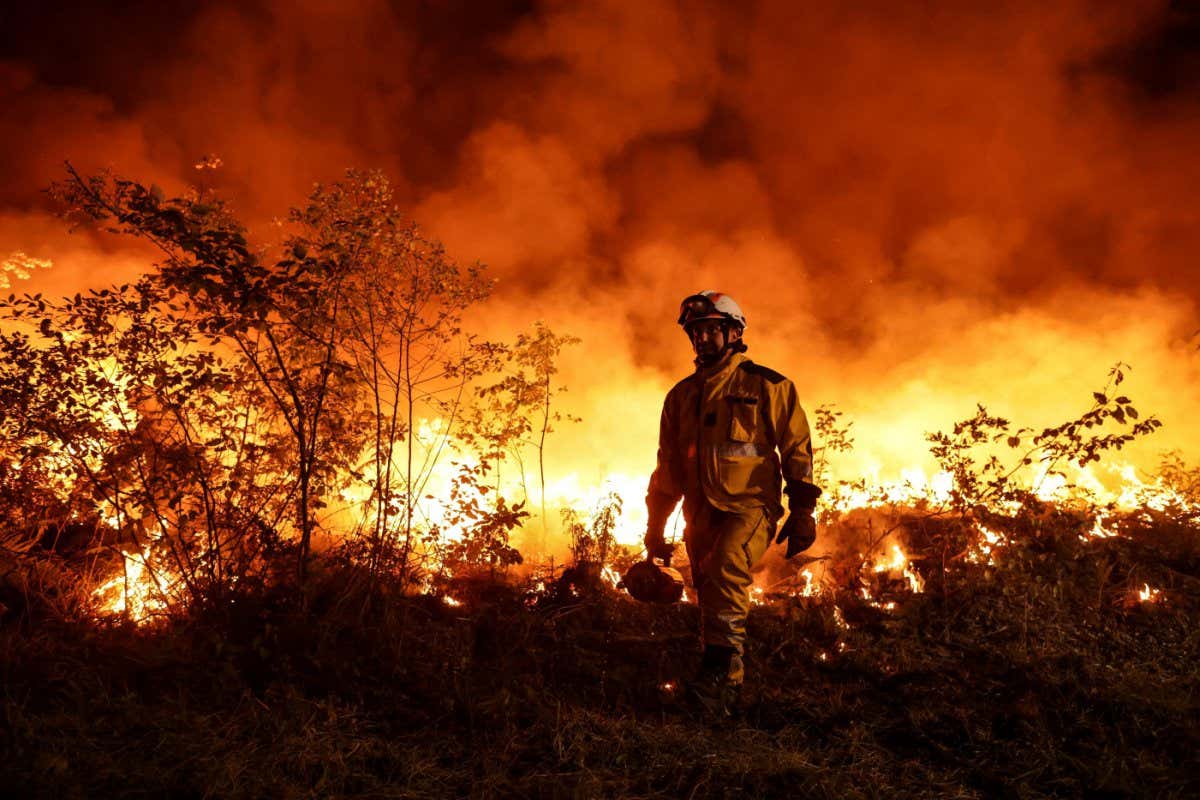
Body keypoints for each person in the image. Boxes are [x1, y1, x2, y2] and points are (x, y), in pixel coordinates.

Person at [644, 290, 822, 715]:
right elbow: (667, 467)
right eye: (695, 333)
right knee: (710, 592)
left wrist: (802, 511)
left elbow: (797, 449)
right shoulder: (681, 397)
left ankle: (715, 672)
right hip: (699, 511)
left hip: (751, 507)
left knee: (725, 565)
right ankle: (726, 694)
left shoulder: (768, 386)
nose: (701, 339)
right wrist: (655, 527)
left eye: (710, 330)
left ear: (734, 332)